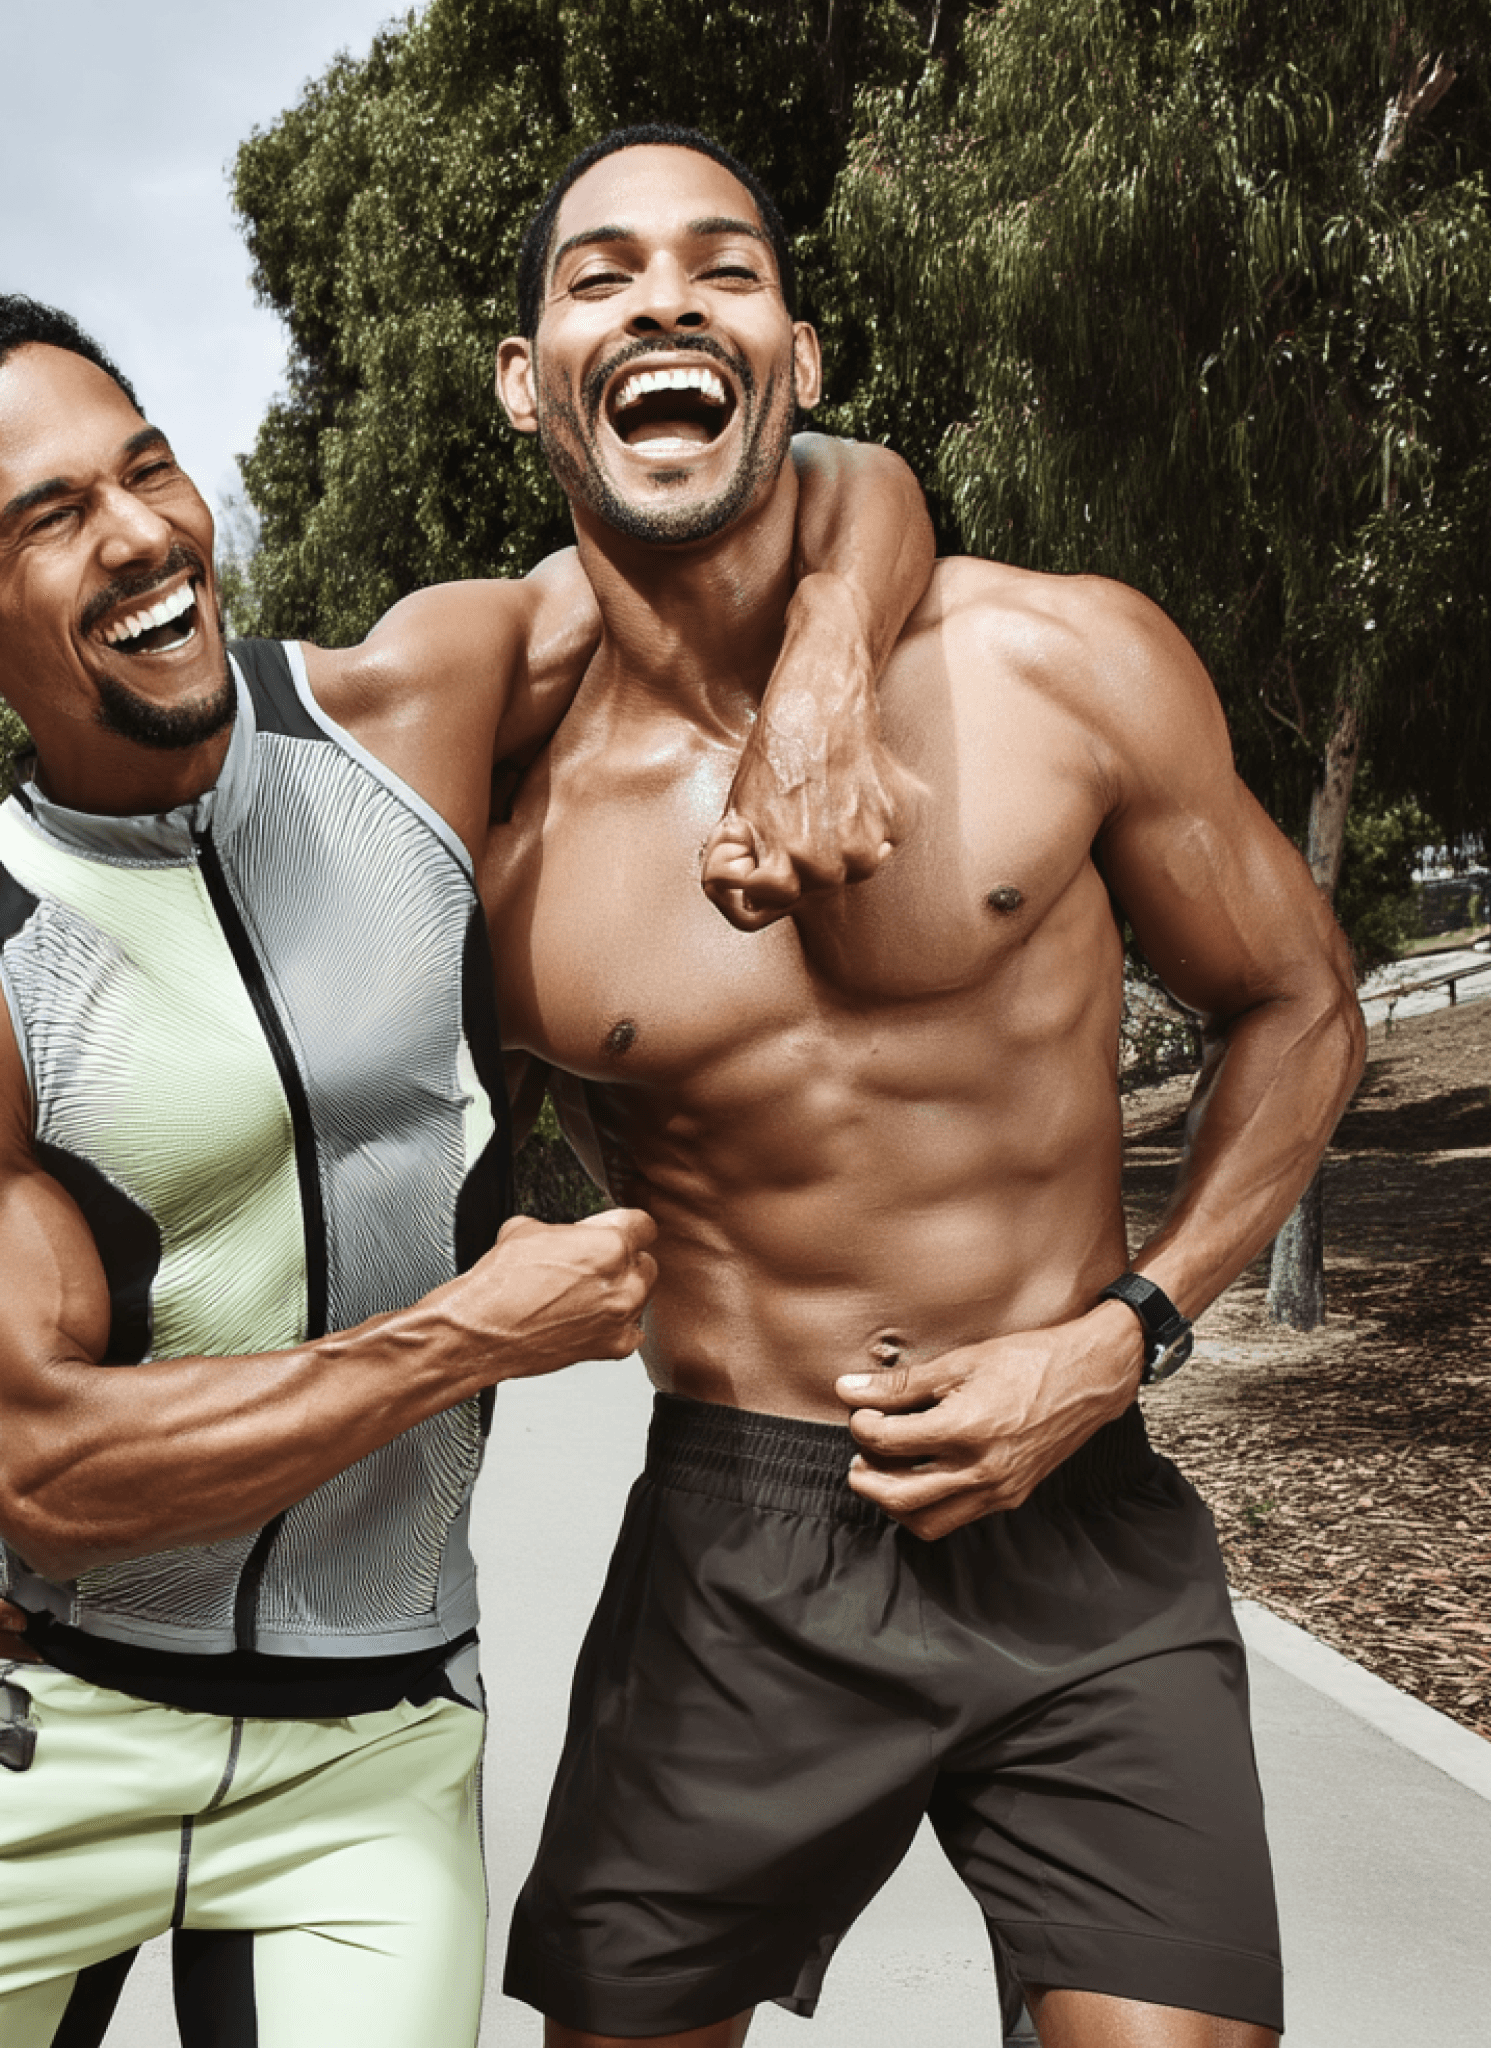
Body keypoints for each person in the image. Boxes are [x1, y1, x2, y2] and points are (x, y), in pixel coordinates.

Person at [0, 288, 933, 2048]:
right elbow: (47, 1475)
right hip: (51, 1733)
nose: (142, 539)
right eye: (52, 518)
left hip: (372, 1751)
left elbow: (824, 482)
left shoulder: (408, 714)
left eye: (148, 469)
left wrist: (824, 673)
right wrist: (466, 1339)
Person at [473, 130, 1362, 2048]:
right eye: (600, 273)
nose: (664, 301)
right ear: (525, 377)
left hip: (1079, 1499)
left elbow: (1302, 1006)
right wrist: (33, 1495)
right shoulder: (502, 825)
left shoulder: (1064, 661)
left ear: (800, 355)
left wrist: (1129, 1334)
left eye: (724, 267)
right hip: (744, 1538)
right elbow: (340, 1185)